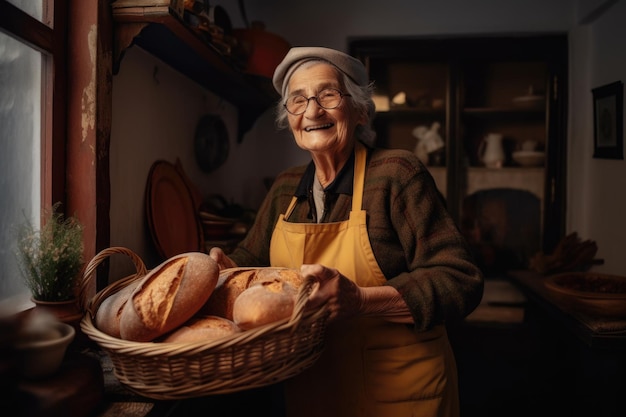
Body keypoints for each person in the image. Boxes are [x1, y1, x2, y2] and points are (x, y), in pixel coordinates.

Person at [209, 46, 484, 417]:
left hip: (398, 393)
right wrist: (226, 265)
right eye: (298, 100)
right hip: (312, 388)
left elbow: (460, 280)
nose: (312, 111)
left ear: (358, 110)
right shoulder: (286, 187)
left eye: (327, 95)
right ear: (288, 117)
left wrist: (360, 301)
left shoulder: (397, 174)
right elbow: (252, 260)